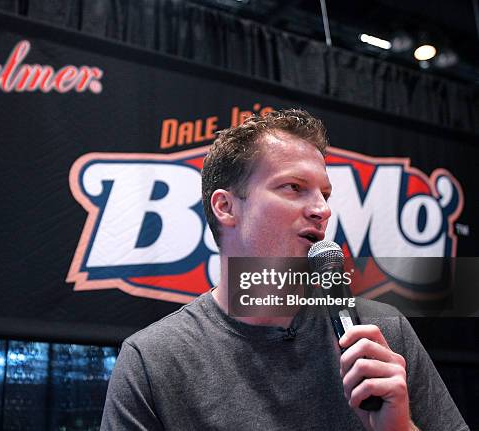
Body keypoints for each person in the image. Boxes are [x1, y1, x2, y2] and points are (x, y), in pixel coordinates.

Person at [100, 109, 469, 430]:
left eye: (325, 194)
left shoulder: (382, 333)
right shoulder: (155, 360)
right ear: (226, 207)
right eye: (294, 187)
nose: (321, 209)